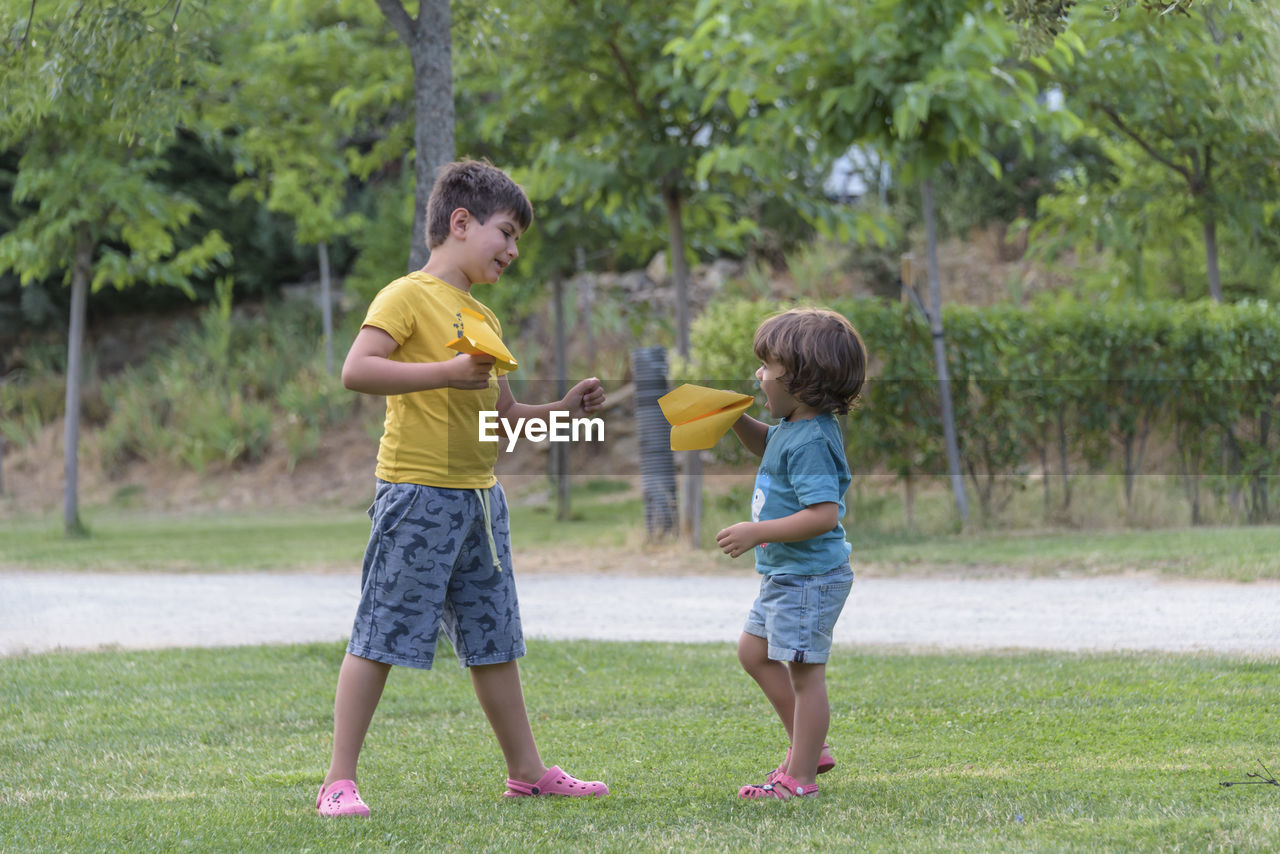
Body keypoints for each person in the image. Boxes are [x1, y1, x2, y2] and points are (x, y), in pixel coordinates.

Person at [316, 159, 609, 817]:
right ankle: (338, 779)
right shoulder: (406, 295)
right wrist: (445, 370)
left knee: (493, 637)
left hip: (479, 499)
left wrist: (564, 409)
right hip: (417, 496)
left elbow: (505, 420)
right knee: (381, 632)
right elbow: (357, 370)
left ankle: (528, 772)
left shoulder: (482, 318)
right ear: (460, 222)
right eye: (505, 234)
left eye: (516, 242)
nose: (511, 251)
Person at [714, 307, 867, 801]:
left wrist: (757, 532)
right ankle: (810, 746)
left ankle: (799, 778)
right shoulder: (792, 428)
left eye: (767, 366)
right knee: (753, 652)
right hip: (788, 574)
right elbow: (769, 446)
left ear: (801, 379)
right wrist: (738, 419)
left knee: (805, 673)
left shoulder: (814, 440)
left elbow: (823, 513)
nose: (759, 374)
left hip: (809, 577)